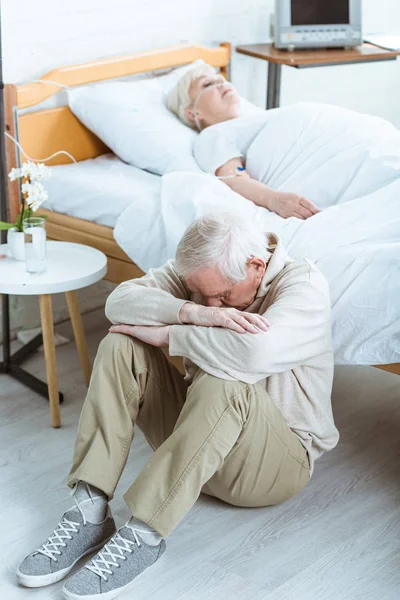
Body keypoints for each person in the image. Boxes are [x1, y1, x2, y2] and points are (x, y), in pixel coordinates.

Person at [17, 213, 339, 600]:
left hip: (272, 467)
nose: (210, 301)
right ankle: (90, 510)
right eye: (200, 293)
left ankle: (145, 533)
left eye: (221, 296)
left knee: (227, 379)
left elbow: (254, 354)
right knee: (120, 346)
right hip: (200, 442)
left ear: (256, 266)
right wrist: (195, 312)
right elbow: (119, 303)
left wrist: (169, 334)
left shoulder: (303, 285)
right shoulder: (204, 274)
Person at [167, 63, 321, 220]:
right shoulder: (213, 135)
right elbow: (233, 178)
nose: (222, 84)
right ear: (193, 113)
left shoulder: (251, 121)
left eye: (221, 79)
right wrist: (274, 199)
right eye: (207, 84)